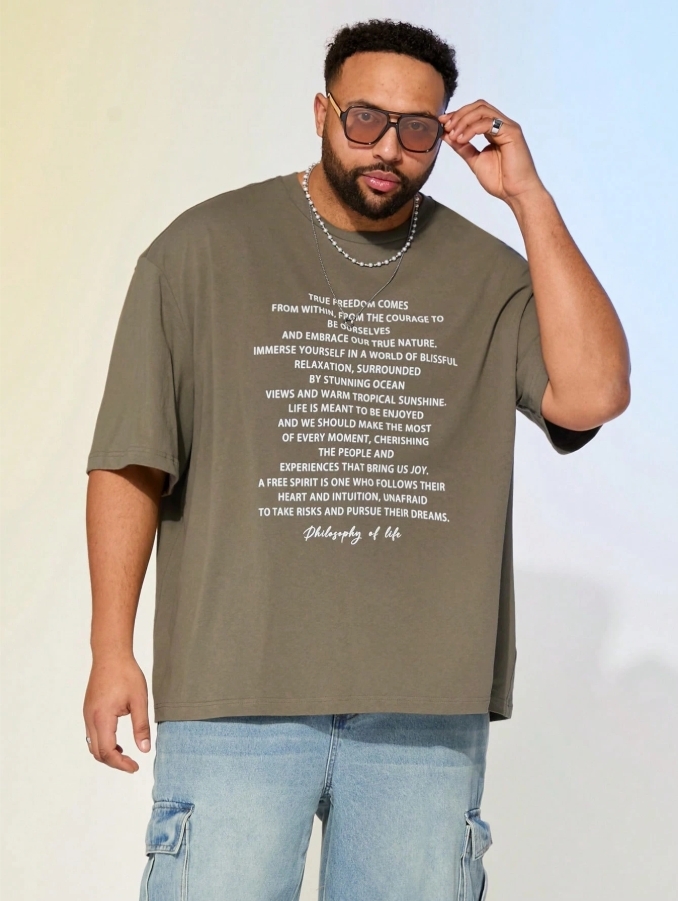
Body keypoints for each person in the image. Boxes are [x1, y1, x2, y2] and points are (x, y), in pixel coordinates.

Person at [83, 18, 630, 901]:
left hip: (424, 710)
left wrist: (528, 198)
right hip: (236, 690)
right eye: (365, 118)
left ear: (445, 134)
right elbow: (132, 459)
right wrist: (111, 648)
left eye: (418, 129)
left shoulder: (488, 274)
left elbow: (595, 392)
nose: (389, 149)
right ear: (321, 112)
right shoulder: (202, 248)